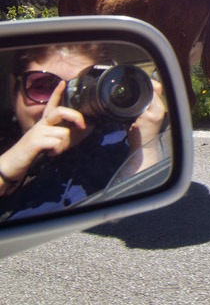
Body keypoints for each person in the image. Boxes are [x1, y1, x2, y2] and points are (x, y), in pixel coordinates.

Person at [0, 43, 167, 221]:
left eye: (80, 90)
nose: (59, 105)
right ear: (13, 89)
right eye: (42, 87)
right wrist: (6, 168)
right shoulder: (5, 136)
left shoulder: (116, 150)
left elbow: (137, 225)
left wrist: (143, 149)